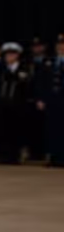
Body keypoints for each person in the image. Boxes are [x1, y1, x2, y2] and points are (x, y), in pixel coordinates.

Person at [0, 42, 31, 165]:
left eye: (12, 55)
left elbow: (26, 87)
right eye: (7, 55)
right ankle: (3, 155)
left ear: (17, 56)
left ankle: (14, 156)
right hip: (3, 105)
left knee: (16, 130)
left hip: (17, 106)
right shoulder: (1, 69)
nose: (9, 57)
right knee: (2, 130)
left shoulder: (23, 69)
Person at [45, 35, 64, 168]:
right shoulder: (49, 61)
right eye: (59, 44)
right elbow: (41, 81)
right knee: (52, 129)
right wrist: (41, 98)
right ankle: (53, 156)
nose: (60, 46)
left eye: (63, 44)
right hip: (51, 100)